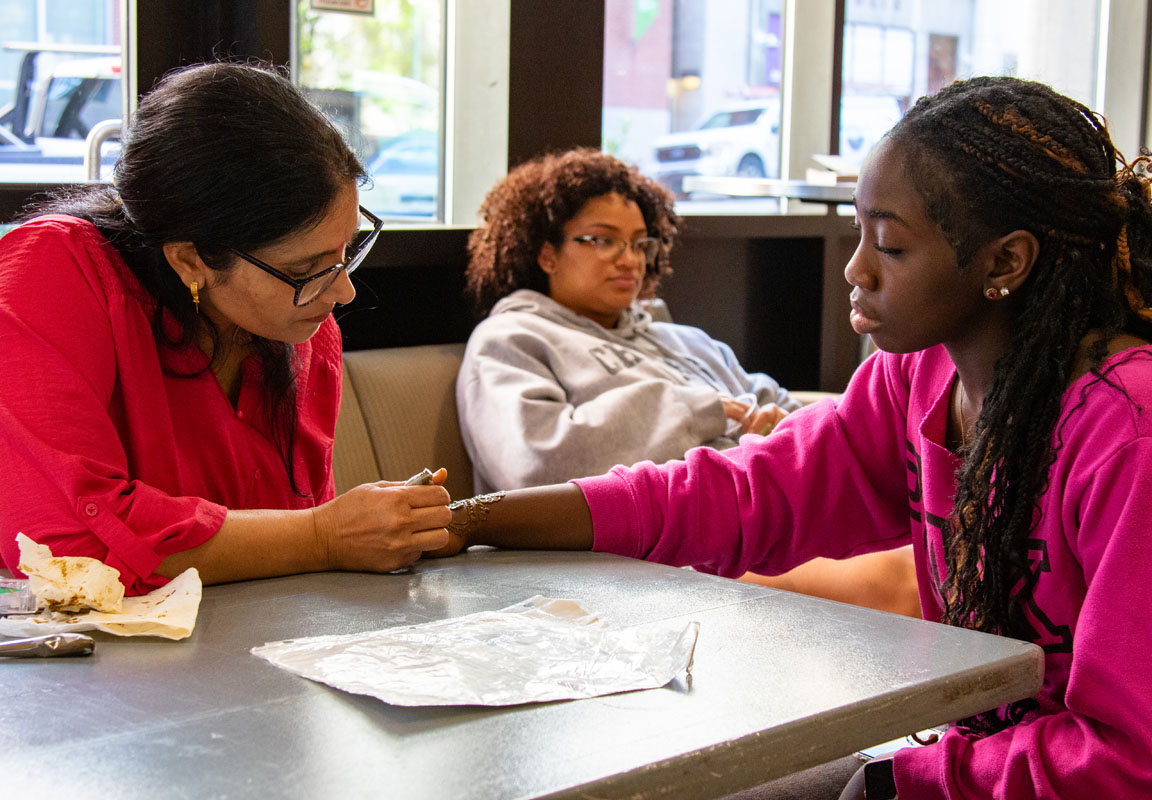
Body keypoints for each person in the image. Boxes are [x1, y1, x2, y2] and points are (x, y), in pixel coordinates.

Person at [434, 77, 1152, 798]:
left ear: (1005, 262)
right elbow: (736, 495)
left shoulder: (1129, 430)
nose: (855, 269)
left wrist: (903, 783)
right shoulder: (912, 381)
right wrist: (474, 519)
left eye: (891, 246)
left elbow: (1129, 759)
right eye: (858, 233)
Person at [0, 62, 451, 594]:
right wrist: (324, 536)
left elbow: (272, 549)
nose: (341, 292)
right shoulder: (51, 272)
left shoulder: (302, 324)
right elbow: (66, 549)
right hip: (23, 645)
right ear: (190, 259)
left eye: (346, 252)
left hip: (218, 647)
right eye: (305, 270)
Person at [458, 148, 920, 618]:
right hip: (653, 544)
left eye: (641, 243)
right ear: (547, 254)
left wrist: (779, 424)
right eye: (603, 240)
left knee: (936, 555)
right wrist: (696, 410)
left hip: (754, 514)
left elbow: (775, 403)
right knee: (910, 580)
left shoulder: (684, 339)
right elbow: (531, 466)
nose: (629, 259)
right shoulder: (510, 340)